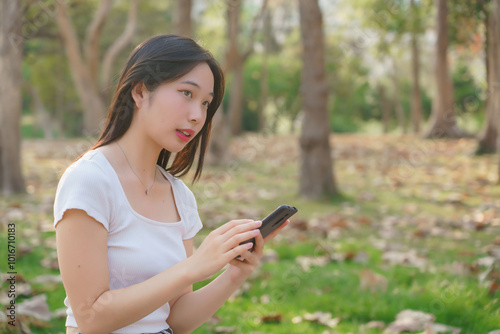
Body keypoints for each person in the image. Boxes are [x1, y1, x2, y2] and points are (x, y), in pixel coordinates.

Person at [53, 34, 288, 334]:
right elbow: (90, 317)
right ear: (139, 92)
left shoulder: (180, 196)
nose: (197, 116)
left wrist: (235, 273)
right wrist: (193, 266)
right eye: (186, 94)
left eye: (206, 103)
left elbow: (176, 320)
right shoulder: (88, 180)